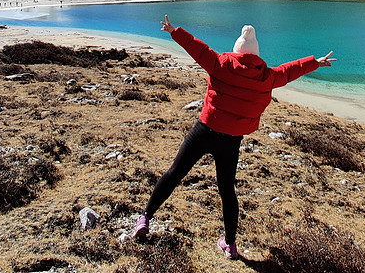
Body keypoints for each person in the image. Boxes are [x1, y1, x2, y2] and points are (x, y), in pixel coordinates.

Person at [131, 14, 335, 259]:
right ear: (256, 56)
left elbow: (198, 48)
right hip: (231, 139)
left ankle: (145, 217)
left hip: (205, 130)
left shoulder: (220, 64)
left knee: (175, 172)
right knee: (227, 190)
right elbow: (290, 71)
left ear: (237, 51)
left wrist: (175, 31)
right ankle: (230, 244)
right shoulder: (266, 77)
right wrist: (316, 62)